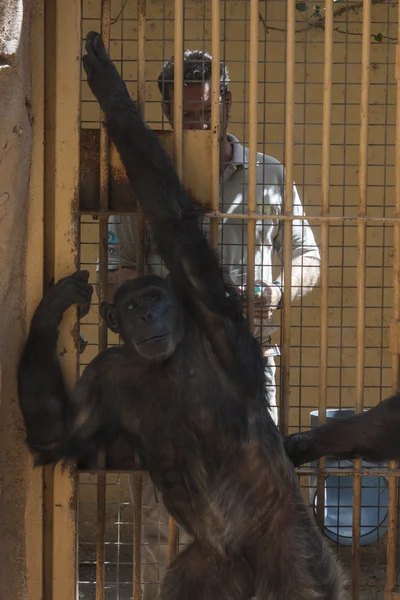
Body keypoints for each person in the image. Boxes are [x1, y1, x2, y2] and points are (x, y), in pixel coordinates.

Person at [99, 50, 321, 598]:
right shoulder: (145, 176)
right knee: (163, 509)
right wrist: (161, 304)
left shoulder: (268, 175)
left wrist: (274, 292)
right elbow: (117, 268)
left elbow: (308, 258)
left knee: (263, 515)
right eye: (187, 115)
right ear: (170, 112)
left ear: (225, 103)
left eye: (206, 112)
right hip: (167, 373)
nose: (197, 123)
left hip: (244, 375)